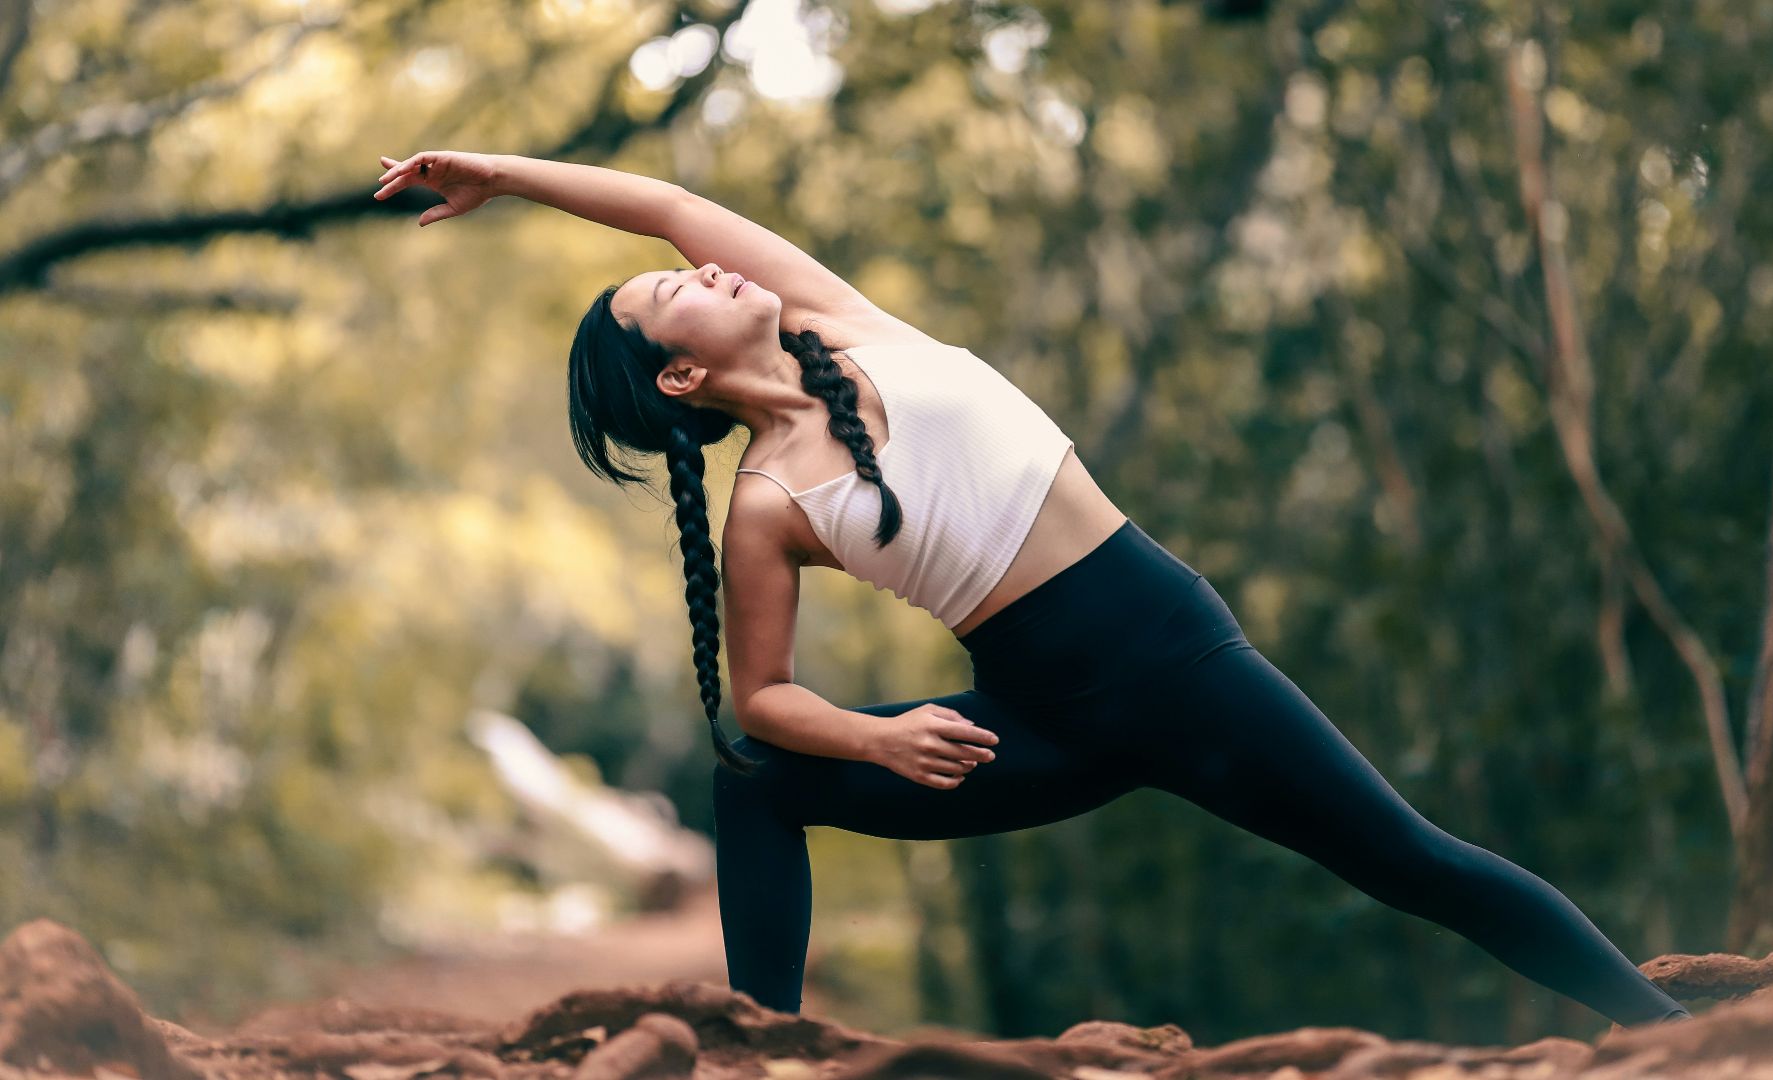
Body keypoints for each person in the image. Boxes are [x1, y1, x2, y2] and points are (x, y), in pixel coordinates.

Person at [372, 150, 1693, 1030]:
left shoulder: (838, 321)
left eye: (693, 266)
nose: (706, 264)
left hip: (1180, 661)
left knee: (1415, 862)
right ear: (677, 379)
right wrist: (880, 735)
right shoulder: (768, 503)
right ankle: (755, 1050)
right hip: (1040, 725)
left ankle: (1688, 1042)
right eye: (677, 294)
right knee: (748, 781)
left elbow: (659, 201)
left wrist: (500, 173)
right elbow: (764, 701)